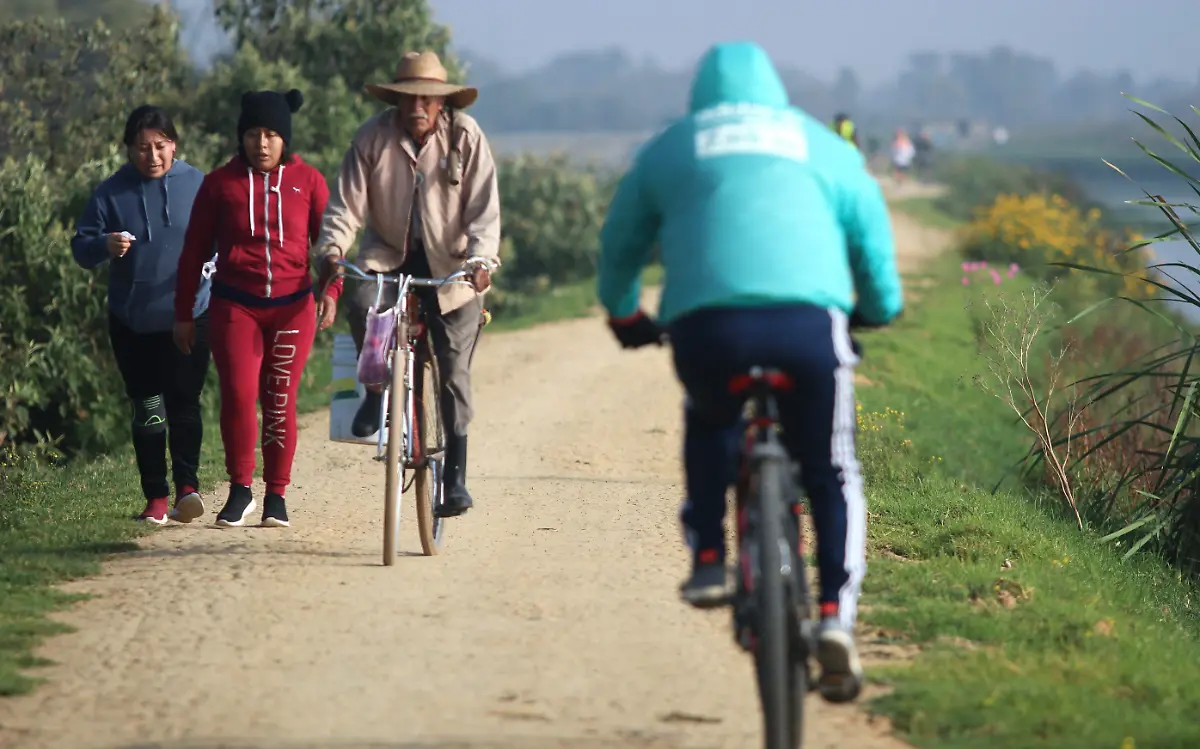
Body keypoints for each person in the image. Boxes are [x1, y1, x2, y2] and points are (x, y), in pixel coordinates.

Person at [595, 41, 902, 703]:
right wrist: (879, 309)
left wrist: (626, 316)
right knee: (831, 467)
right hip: (806, 328)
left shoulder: (669, 148)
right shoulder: (824, 146)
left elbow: (619, 244)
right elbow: (871, 237)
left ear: (699, 94)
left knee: (709, 416)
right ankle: (834, 618)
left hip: (707, 328)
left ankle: (709, 557)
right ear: (775, 88)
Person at [313, 50, 501, 519]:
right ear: (395, 100)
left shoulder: (466, 137)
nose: (417, 106)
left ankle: (455, 477)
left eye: (427, 98)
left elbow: (484, 211)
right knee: (363, 305)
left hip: (452, 268)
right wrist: (333, 251)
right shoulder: (372, 138)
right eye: (408, 97)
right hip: (386, 259)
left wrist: (481, 260)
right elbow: (346, 207)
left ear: (442, 102)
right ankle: (376, 393)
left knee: (454, 370)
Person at [174, 88, 342, 528]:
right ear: (241, 138)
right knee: (238, 395)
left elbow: (330, 247)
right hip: (236, 307)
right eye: (253, 134)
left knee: (280, 400)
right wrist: (184, 313)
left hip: (292, 308)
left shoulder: (309, 182)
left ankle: (277, 495)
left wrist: (332, 291)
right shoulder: (219, 185)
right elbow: (193, 252)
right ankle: (241, 489)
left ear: (285, 139)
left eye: (270, 134)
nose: (261, 143)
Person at [70, 105, 213, 526]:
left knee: (185, 403)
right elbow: (81, 246)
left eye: (160, 146)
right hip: (133, 321)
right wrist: (105, 245)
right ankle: (156, 498)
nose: (152, 156)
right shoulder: (111, 193)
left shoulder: (198, 184)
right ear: (129, 151)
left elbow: (225, 237)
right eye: (142, 148)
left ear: (174, 145)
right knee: (148, 407)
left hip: (190, 315)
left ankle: (188, 489)